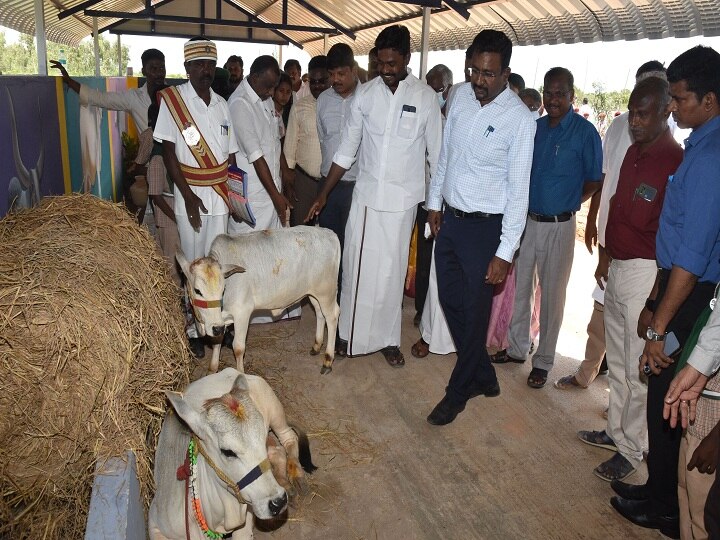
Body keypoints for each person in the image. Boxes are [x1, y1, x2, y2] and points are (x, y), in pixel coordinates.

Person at [610, 45, 720, 539]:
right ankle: (657, 489)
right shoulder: (701, 146)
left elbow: (692, 260)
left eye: (679, 100)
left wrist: (659, 325)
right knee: (659, 399)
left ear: (710, 100)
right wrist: (655, 302)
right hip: (675, 287)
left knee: (666, 401)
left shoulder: (711, 159)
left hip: (692, 296)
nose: (673, 109)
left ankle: (666, 511)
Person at [306, 25, 442, 367]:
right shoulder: (366, 95)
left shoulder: (425, 98)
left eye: (393, 63)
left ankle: (387, 340)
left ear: (407, 59)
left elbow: (438, 158)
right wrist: (323, 194)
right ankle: (348, 333)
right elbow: (345, 151)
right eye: (381, 63)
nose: (386, 70)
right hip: (366, 198)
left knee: (391, 273)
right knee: (356, 267)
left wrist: (435, 205)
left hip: (404, 202)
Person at [424, 30, 536, 426]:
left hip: (486, 232)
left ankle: (458, 391)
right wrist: (433, 203)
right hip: (450, 221)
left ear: (506, 72)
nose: (479, 80)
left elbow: (519, 193)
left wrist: (505, 252)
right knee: (452, 302)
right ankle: (484, 374)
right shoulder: (459, 99)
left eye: (489, 74)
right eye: (475, 71)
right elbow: (446, 155)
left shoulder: (521, 121)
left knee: (474, 311)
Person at [577, 77, 682, 482]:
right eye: (631, 112)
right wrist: (605, 255)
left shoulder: (674, 160)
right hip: (618, 265)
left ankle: (631, 449)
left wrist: (656, 295)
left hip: (646, 271)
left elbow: (670, 234)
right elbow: (618, 207)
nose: (633, 121)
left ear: (666, 110)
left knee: (639, 368)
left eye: (642, 114)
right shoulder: (634, 152)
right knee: (618, 362)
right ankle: (615, 432)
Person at [494, 67, 602, 389]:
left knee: (553, 296)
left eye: (560, 94)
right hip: (526, 222)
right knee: (521, 289)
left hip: (560, 225)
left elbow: (595, 179)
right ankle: (515, 349)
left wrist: (569, 201)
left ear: (571, 95)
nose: (553, 100)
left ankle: (542, 362)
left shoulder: (585, 133)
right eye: (549, 93)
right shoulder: (534, 127)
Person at [153, 38, 239, 358]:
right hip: (191, 194)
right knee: (193, 265)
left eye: (210, 64)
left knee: (216, 265)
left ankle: (217, 324)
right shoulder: (173, 101)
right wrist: (187, 197)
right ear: (187, 68)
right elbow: (169, 153)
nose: (206, 70)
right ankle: (193, 328)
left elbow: (229, 156)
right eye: (199, 64)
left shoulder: (222, 104)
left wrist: (234, 195)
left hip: (219, 194)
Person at [665, 287, 720, 539]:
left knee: (704, 516)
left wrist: (717, 436)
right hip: (702, 397)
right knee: (684, 490)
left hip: (714, 416)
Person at [316, 43, 361, 304]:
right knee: (330, 247)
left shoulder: (367, 99)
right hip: (329, 188)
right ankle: (332, 301)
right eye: (332, 74)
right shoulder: (323, 100)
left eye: (341, 74)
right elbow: (325, 140)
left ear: (354, 71)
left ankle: (352, 301)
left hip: (357, 185)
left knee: (353, 247)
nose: (335, 80)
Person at [228, 55, 290, 233]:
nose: (272, 93)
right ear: (254, 78)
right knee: (247, 255)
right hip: (253, 198)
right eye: (269, 86)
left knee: (272, 256)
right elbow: (256, 157)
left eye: (273, 87)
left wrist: (281, 183)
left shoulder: (264, 97)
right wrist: (277, 197)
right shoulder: (240, 104)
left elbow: (274, 142)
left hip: (271, 192)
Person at [413, 63, 453, 329]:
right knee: (423, 257)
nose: (431, 91)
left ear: (447, 88)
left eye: (436, 87)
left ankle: (440, 314)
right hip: (421, 196)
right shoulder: (422, 113)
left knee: (441, 259)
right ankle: (420, 308)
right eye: (427, 85)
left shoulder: (453, 119)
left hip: (444, 203)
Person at [50, 48, 166, 133]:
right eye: (153, 68)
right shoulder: (134, 98)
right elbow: (100, 98)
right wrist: (70, 82)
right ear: (143, 71)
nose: (159, 73)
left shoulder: (175, 95)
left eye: (162, 68)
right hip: (151, 163)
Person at [284, 55, 330, 226]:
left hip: (331, 184)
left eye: (322, 81)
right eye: (313, 81)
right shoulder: (299, 107)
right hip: (304, 183)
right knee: (301, 236)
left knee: (329, 236)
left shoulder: (341, 107)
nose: (317, 86)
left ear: (330, 78)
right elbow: (289, 149)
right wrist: (288, 184)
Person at [271, 72, 293, 139]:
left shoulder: (291, 113)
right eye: (281, 91)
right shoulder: (267, 110)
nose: (284, 95)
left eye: (288, 92)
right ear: (274, 90)